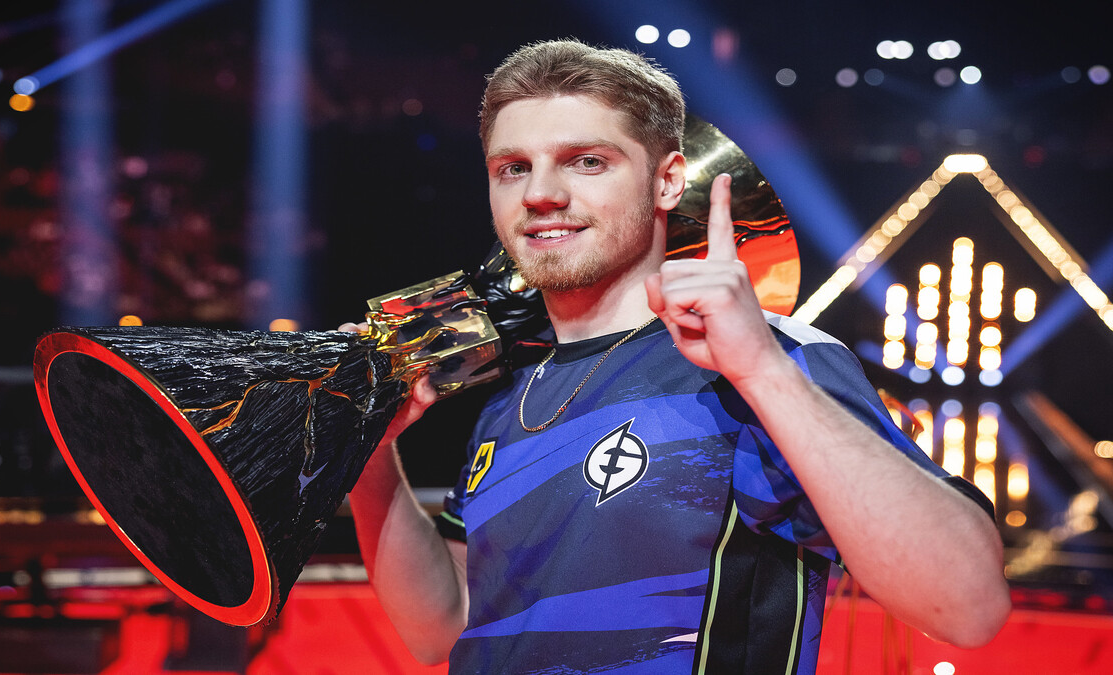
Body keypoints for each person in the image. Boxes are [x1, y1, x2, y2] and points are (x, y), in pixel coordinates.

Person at [344, 39, 1010, 673]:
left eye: (587, 161)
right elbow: (443, 625)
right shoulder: (507, 402)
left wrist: (763, 371)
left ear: (667, 182)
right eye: (513, 167)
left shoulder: (763, 361)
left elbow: (968, 605)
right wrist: (369, 456)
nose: (540, 193)